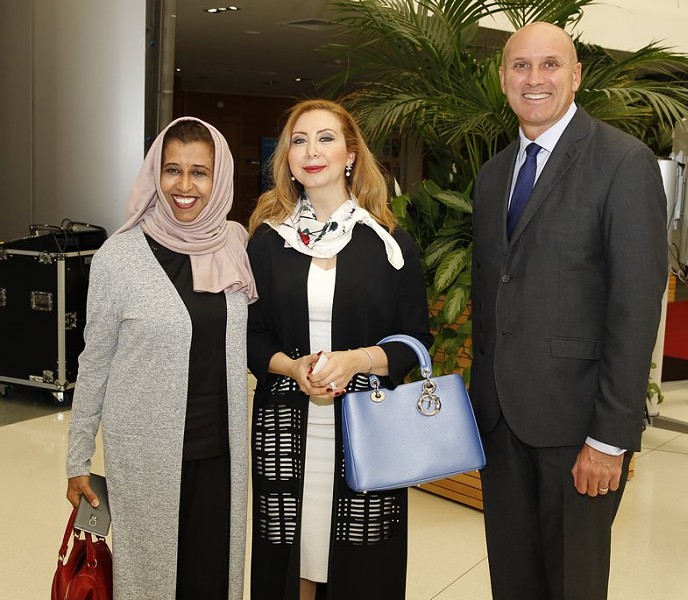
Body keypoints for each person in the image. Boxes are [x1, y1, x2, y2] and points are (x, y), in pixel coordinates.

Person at [470, 22, 668, 600]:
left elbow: (635, 307)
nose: (534, 78)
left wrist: (609, 438)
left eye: (550, 64)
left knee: (571, 585)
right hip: (499, 425)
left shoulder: (622, 163)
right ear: (503, 77)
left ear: (576, 75)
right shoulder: (493, 175)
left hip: (578, 428)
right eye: (521, 65)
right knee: (513, 582)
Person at [246, 99, 432, 600]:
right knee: (291, 554)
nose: (312, 151)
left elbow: (415, 339)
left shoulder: (389, 242)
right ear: (288, 159)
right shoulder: (267, 242)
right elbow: (251, 334)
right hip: (286, 426)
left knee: (361, 560)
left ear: (350, 154)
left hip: (368, 426)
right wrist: (292, 367)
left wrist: (358, 360)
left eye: (325, 138)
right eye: (299, 141)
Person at [65, 117, 257, 599]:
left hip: (221, 450)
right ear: (155, 173)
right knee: (150, 582)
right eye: (173, 170)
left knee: (212, 578)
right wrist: (77, 458)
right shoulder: (119, 257)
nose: (184, 186)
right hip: (145, 454)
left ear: (219, 178)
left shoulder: (234, 244)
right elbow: (95, 362)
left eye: (199, 172)